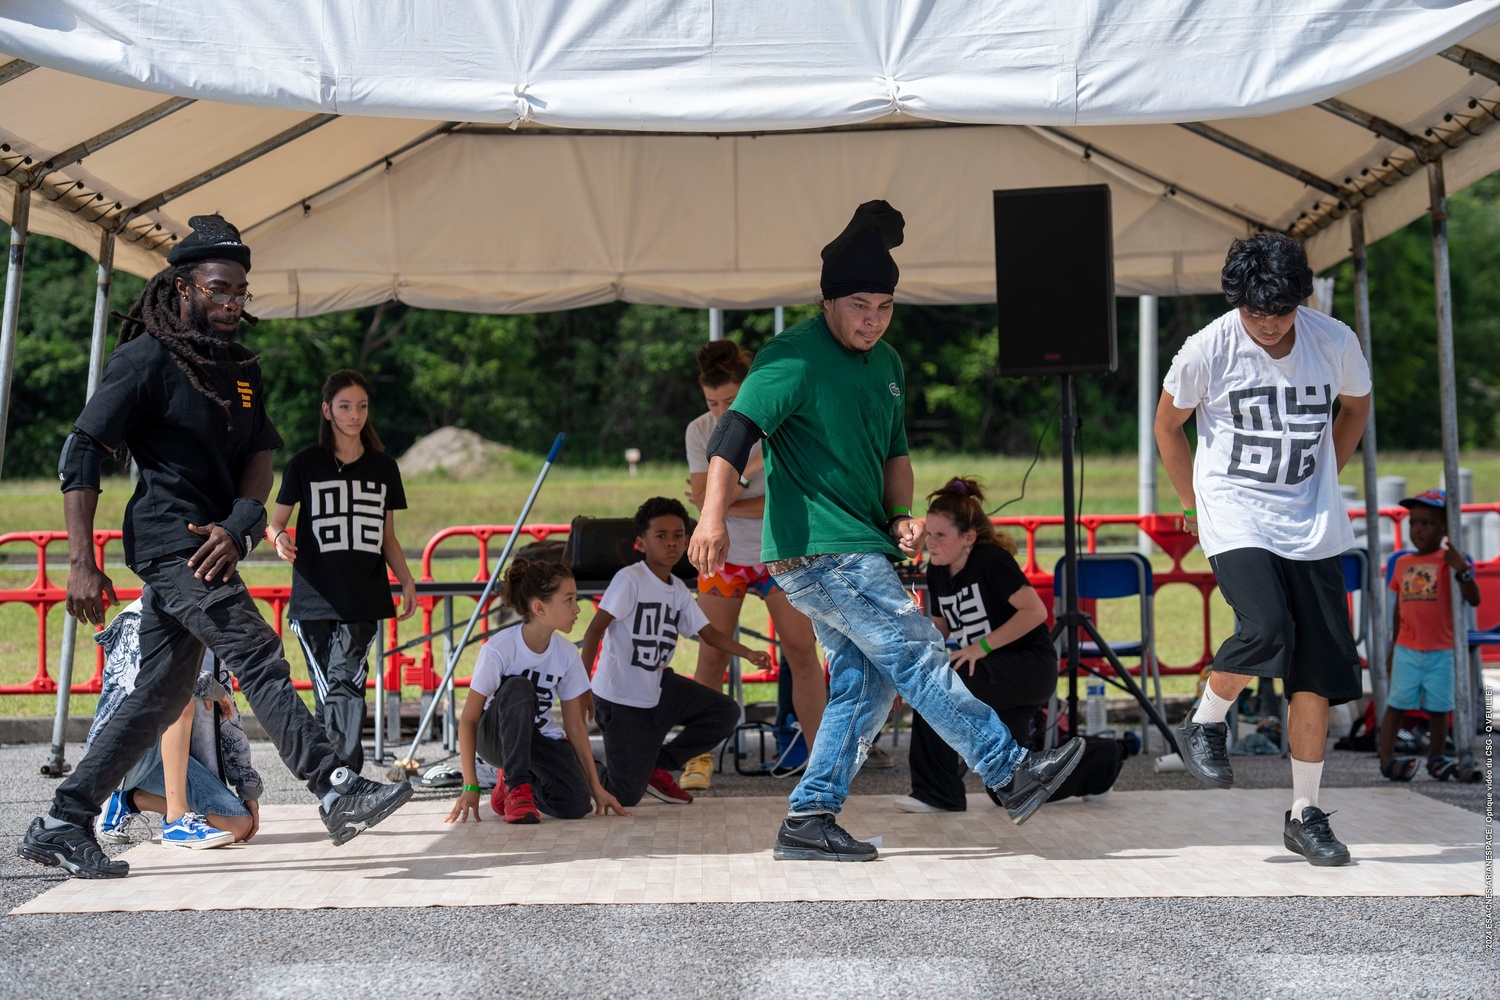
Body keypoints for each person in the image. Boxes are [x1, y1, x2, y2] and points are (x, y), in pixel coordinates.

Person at [689, 200, 1084, 862]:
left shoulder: (890, 366)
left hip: (857, 546)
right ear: (829, 302)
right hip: (822, 551)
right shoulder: (792, 358)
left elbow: (894, 455)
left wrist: (900, 515)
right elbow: (734, 434)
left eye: (884, 307)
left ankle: (809, 818)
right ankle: (1010, 772)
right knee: (919, 653)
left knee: (865, 685)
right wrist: (711, 516)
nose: (872, 320)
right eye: (860, 306)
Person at [20, 214, 411, 880]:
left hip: (216, 538)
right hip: (174, 539)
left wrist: (241, 522)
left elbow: (260, 455)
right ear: (181, 287)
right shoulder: (146, 357)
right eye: (218, 289)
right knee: (256, 648)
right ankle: (334, 786)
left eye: (239, 291)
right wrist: (80, 562)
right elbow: (82, 447)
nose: (231, 303)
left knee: (158, 695)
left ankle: (63, 818)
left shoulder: (241, 368)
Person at [1155, 231, 1372, 867]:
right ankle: (1206, 719)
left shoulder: (1334, 341)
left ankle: (1305, 815)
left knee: (1315, 671)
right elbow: (1169, 425)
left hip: (1313, 520)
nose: (1270, 326)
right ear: (1237, 303)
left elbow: (1355, 408)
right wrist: (1192, 504)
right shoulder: (1209, 348)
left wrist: (1327, 470)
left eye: (1281, 313)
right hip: (1236, 510)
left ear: (1301, 301)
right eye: (1256, 314)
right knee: (1266, 625)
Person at [682, 339, 828, 790]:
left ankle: (823, 759)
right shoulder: (700, 430)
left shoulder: (782, 422)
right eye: (713, 403)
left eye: (731, 400)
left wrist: (723, 499)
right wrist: (747, 468)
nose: (722, 412)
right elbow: (712, 501)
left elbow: (791, 499)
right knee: (711, 656)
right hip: (722, 558)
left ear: (750, 387)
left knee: (802, 652)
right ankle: (697, 757)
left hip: (780, 553)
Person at [268, 368, 419, 773]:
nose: (355, 415)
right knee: (332, 692)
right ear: (327, 410)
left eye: (362, 406)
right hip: (314, 598)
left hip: (364, 597)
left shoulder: (384, 468)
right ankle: (338, 780)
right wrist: (279, 539)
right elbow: (275, 521)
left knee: (345, 683)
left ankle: (344, 781)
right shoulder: (304, 465)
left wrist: (406, 580)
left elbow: (387, 536)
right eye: (345, 406)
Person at [581, 497, 770, 806]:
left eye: (679, 535)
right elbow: (594, 630)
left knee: (725, 712)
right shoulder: (629, 580)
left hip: (657, 689)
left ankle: (654, 764)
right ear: (641, 544)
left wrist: (747, 652)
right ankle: (574, 767)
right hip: (619, 698)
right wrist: (581, 690)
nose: (672, 543)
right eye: (661, 536)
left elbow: (708, 633)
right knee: (624, 794)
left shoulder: (679, 589)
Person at [895, 477, 1061, 813]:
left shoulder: (990, 561)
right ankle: (1103, 762)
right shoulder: (938, 570)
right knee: (1006, 787)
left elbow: (1035, 611)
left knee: (938, 691)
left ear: (968, 537)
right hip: (989, 671)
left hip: (1026, 667)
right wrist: (908, 663)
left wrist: (979, 648)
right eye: (930, 534)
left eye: (941, 536)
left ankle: (937, 793)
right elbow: (939, 629)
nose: (931, 543)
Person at [445, 558, 630, 825]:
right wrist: (470, 785)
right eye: (569, 600)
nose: (577, 608)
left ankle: (514, 786)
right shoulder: (498, 649)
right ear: (540, 608)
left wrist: (596, 789)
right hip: (497, 739)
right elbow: (469, 720)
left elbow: (575, 726)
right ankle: (515, 785)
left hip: (538, 741)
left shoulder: (567, 654)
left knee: (575, 805)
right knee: (520, 686)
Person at [92, 599, 260, 848]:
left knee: (238, 825)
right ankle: (177, 820)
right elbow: (152, 682)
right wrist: (209, 687)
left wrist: (247, 788)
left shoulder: (208, 628)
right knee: (177, 697)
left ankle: (128, 801)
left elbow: (229, 720)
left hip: (173, 760)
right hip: (127, 754)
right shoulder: (136, 619)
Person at [1378, 488, 1481, 782]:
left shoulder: (1450, 560)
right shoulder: (1402, 563)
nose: (1418, 530)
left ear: (1445, 527)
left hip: (1442, 649)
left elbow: (1474, 599)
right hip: (1407, 649)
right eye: (1414, 523)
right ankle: (1386, 759)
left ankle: (1437, 756)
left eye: (1427, 523)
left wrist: (1463, 570)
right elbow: (1399, 611)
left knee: (1440, 707)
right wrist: (1393, 648)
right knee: (1396, 704)